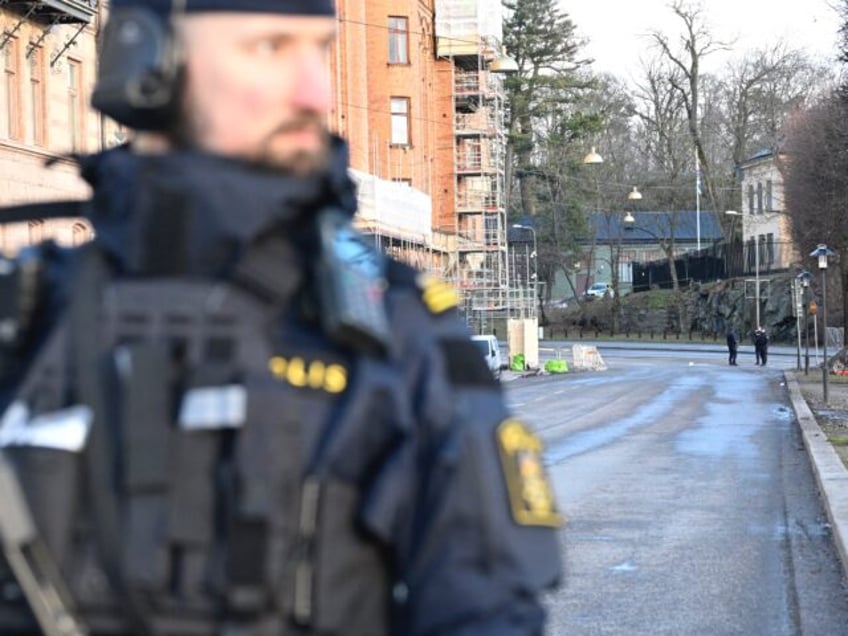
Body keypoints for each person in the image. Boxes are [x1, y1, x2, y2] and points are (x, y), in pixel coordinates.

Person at [0, 1, 562, 634]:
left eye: (318, 51)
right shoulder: (29, 317)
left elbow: (488, 611)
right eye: (271, 47)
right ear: (147, 61)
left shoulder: (395, 327)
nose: (314, 91)